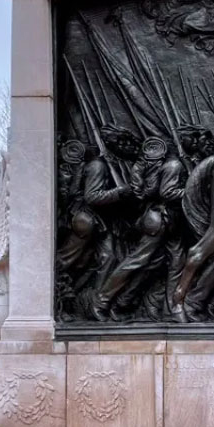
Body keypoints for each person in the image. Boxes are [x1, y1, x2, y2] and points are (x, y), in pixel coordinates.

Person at [92, 135, 188, 322]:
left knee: (175, 262)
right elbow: (166, 193)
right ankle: (101, 301)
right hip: (159, 219)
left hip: (171, 222)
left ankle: (170, 309)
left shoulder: (143, 166)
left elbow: (140, 190)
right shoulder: (173, 166)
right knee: (136, 261)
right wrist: (194, 188)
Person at [56, 128, 138, 286]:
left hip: (103, 220)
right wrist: (119, 192)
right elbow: (92, 196)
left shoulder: (118, 164)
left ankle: (95, 299)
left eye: (128, 142)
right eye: (121, 143)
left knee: (109, 258)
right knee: (69, 258)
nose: (127, 146)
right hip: (87, 219)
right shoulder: (98, 166)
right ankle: (50, 285)